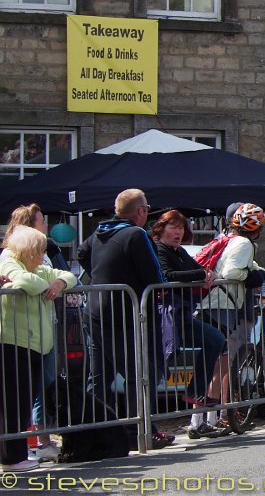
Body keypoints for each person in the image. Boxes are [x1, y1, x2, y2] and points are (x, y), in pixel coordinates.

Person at [77, 188, 175, 450]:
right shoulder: (136, 234)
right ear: (141, 212)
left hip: (96, 310)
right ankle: (140, 431)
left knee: (99, 376)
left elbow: (81, 253)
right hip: (124, 312)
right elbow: (155, 277)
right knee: (139, 374)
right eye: (146, 209)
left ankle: (92, 432)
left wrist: (103, 277)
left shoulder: (99, 232)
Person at [0, 227, 76, 472]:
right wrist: (48, 286)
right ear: (30, 250)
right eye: (40, 250)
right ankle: (12, 458)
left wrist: (60, 281)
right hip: (13, 342)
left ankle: (16, 455)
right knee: (13, 404)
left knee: (22, 404)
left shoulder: (38, 267)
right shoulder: (10, 261)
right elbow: (23, 280)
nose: (44, 254)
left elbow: (70, 276)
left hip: (34, 346)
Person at [150, 210, 228, 438]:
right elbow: (167, 274)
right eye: (173, 227)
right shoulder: (158, 249)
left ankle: (195, 395)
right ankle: (146, 427)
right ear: (161, 228)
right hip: (163, 316)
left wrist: (206, 273)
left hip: (181, 314)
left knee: (216, 340)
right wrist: (200, 274)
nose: (178, 232)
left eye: (181, 228)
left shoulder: (179, 250)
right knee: (157, 368)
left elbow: (198, 268)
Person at [196, 203, 265, 434]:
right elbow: (232, 273)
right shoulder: (244, 243)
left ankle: (204, 420)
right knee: (218, 365)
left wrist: (258, 270)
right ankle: (203, 421)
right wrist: (254, 276)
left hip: (215, 304)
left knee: (215, 364)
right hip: (223, 305)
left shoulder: (231, 240)